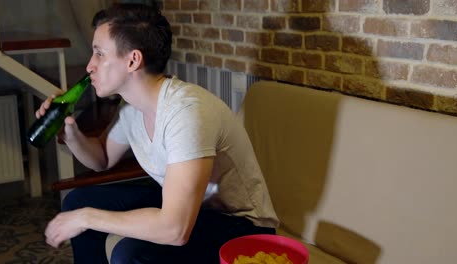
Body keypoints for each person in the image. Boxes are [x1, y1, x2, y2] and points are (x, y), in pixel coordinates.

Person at [40, 3, 279, 264]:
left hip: (240, 225)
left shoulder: (186, 113)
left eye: (99, 54)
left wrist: (86, 218)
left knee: (130, 252)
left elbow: (175, 230)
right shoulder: (132, 109)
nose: (89, 66)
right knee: (79, 200)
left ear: (133, 60)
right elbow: (102, 159)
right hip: (195, 208)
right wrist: (70, 131)